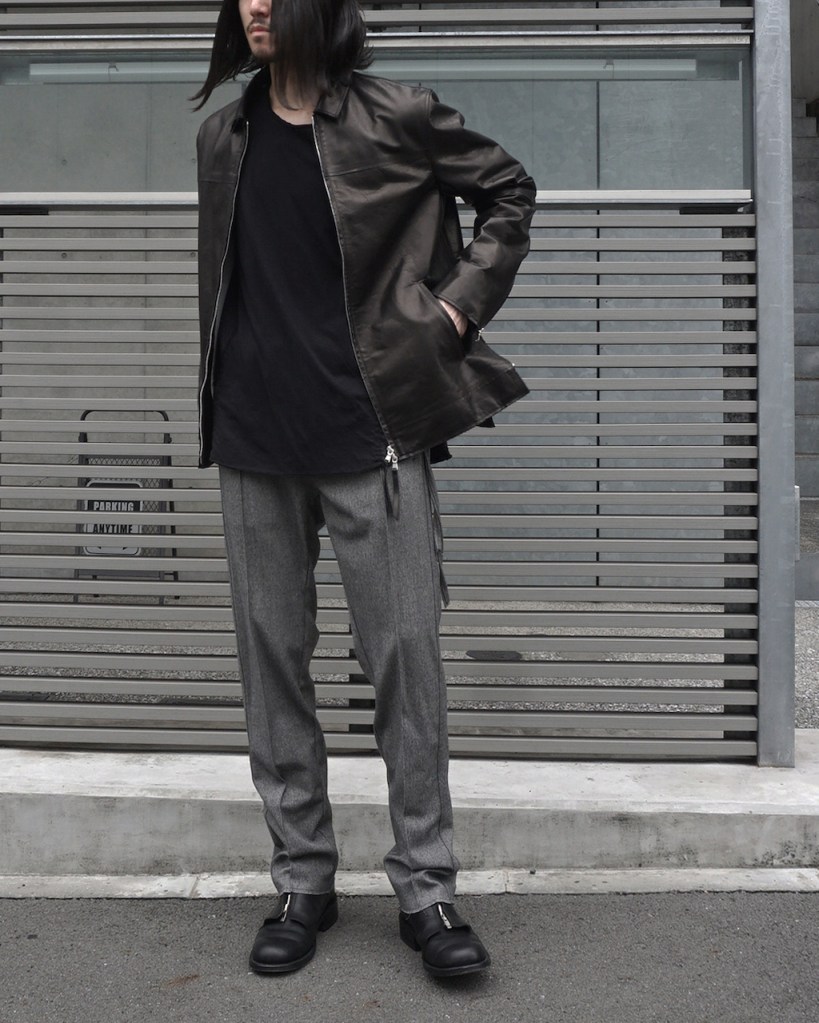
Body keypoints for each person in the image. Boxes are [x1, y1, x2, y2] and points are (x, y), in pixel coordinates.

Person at [193, 0, 535, 979]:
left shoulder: (398, 114)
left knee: (404, 665)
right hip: (254, 434)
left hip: (371, 432)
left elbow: (509, 189)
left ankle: (427, 891)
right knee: (272, 667)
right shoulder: (224, 132)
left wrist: (458, 308)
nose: (257, 3)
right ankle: (303, 879)